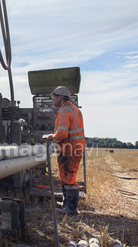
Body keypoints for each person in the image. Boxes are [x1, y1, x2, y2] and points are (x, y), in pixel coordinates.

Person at [47, 86, 85, 216]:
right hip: (74, 147)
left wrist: (52, 137)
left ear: (59, 98)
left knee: (68, 178)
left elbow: (62, 134)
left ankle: (71, 209)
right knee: (65, 176)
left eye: (53, 97)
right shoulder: (74, 109)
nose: (52, 100)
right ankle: (66, 205)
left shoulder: (64, 112)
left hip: (70, 149)